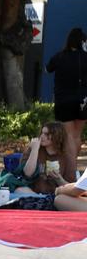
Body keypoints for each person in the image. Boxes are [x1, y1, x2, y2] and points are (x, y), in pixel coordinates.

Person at [45, 27, 86, 180]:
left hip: (64, 101)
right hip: (83, 101)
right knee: (76, 135)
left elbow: (47, 69)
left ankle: (70, 174)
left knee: (68, 135)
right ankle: (73, 169)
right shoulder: (85, 57)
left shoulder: (60, 56)